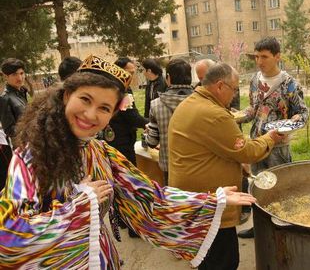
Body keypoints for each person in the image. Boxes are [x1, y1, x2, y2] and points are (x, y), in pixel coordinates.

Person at [0, 55, 256, 269]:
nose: (91, 114)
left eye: (104, 108)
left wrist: (212, 200)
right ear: (67, 96)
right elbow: (8, 238)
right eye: (85, 100)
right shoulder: (32, 158)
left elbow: (149, 199)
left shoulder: (101, 152)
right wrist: (79, 208)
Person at [168, 62, 285, 270]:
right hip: (210, 205)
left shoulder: (193, 102)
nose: (234, 94)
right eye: (234, 88)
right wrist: (270, 138)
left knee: (209, 258)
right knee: (224, 261)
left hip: (195, 199)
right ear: (220, 86)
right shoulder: (213, 114)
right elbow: (246, 151)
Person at [237, 37, 308, 239]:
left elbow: (303, 114)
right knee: (258, 186)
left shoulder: (289, 84)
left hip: (278, 147)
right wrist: (239, 116)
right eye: (257, 57)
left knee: (282, 186)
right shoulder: (254, 80)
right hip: (258, 145)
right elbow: (254, 109)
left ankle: (284, 226)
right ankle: (259, 227)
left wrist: (294, 121)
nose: (259, 61)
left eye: (264, 57)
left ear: (277, 57)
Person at [105, 57, 148, 238]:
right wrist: (149, 123)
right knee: (128, 183)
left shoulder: (116, 87)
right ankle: (132, 225)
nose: (131, 75)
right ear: (120, 71)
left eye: (133, 72)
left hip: (120, 140)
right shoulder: (119, 90)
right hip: (120, 143)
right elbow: (132, 117)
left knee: (118, 182)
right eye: (129, 72)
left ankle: (123, 220)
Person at [145, 58, 194, 185]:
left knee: (176, 203)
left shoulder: (156, 105)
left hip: (170, 167)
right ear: (190, 77)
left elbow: (151, 142)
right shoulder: (202, 101)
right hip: (198, 166)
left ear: (168, 78)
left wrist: (147, 134)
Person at [0, 58, 28, 144]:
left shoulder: (22, 91)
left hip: (32, 142)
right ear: (6, 76)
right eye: (14, 74)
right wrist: (30, 127)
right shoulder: (5, 98)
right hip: (22, 146)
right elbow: (9, 130)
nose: (19, 78)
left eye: (21, 73)